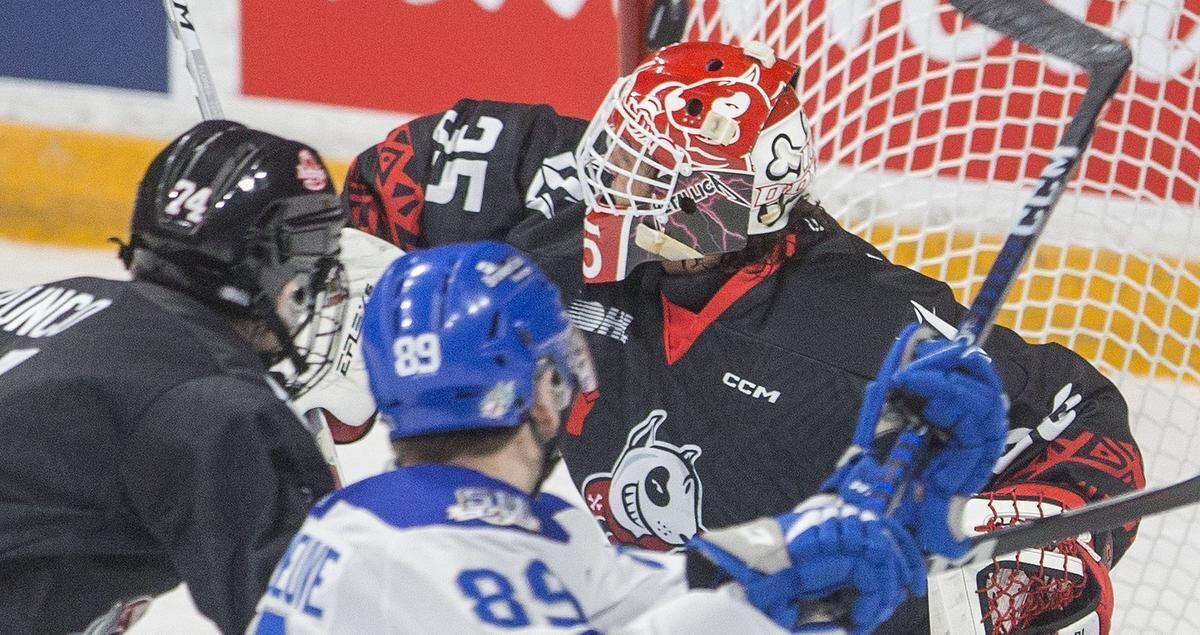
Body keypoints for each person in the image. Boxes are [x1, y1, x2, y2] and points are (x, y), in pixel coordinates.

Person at [343, 40, 1144, 633]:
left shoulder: (862, 327)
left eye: (643, 180)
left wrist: (1033, 550)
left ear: (719, 208)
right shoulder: (576, 226)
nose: (607, 191)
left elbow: (1080, 415)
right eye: (617, 162)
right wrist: (326, 293)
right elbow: (411, 169)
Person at [250, 240, 1009, 633]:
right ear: (544, 389)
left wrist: (837, 527)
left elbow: (649, 597)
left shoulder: (391, 520)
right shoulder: (424, 560)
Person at [0, 120, 348, 635]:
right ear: (273, 268)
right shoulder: (213, 401)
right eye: (313, 251)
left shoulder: (53, 296)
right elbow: (297, 620)